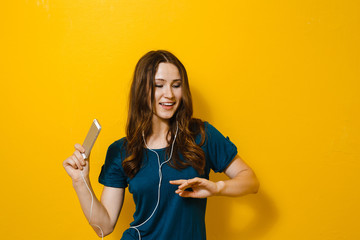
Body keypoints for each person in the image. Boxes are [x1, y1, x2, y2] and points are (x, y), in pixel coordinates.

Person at [63, 50, 260, 240]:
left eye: (176, 85)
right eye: (159, 85)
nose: (170, 94)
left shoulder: (201, 135)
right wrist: (81, 181)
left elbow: (250, 181)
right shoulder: (121, 151)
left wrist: (217, 188)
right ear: (142, 90)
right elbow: (103, 227)